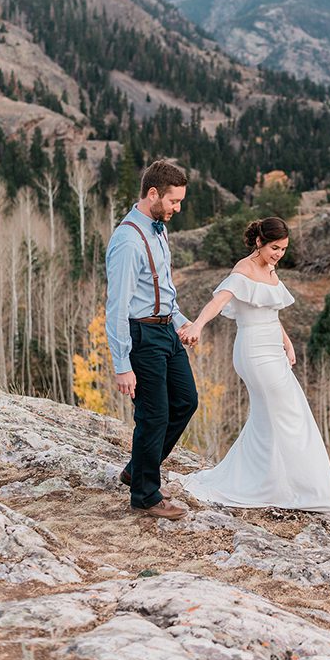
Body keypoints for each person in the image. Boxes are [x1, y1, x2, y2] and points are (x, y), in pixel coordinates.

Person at [178, 217, 330, 514]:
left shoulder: (271, 269)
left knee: (268, 418)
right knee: (292, 412)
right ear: (259, 242)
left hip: (273, 348)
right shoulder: (243, 269)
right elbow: (219, 301)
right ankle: (307, 490)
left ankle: (270, 482)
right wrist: (198, 325)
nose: (279, 254)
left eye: (283, 249)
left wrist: (287, 341)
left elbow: (271, 311)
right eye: (274, 248)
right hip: (254, 352)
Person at [105, 160, 199, 520]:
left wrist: (180, 319)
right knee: (154, 416)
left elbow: (162, 288)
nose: (177, 209)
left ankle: (137, 469)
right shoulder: (128, 240)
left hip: (166, 330)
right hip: (141, 334)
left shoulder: (158, 229)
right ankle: (145, 494)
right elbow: (117, 306)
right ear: (153, 194)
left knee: (186, 401)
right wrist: (122, 364)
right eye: (174, 202)